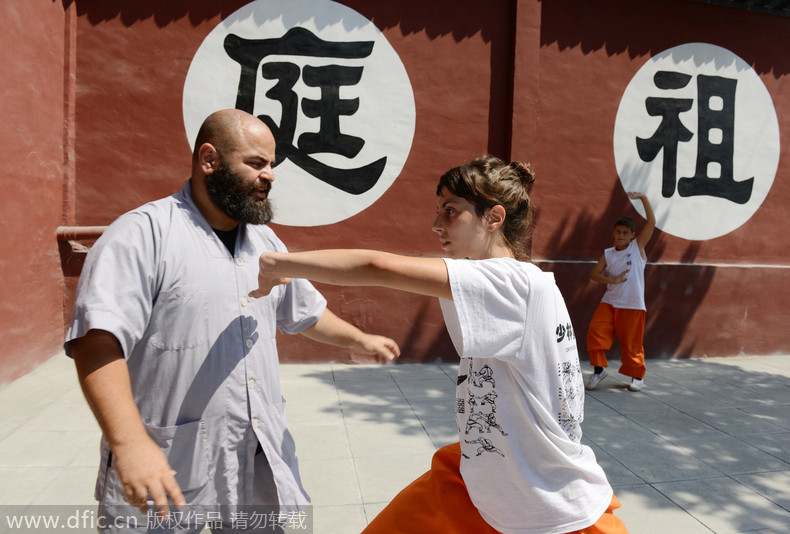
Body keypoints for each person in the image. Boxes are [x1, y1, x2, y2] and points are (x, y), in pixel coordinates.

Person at [250, 155, 628, 533]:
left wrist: (278, 265)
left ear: (494, 218)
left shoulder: (508, 283)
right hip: (489, 475)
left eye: (451, 211)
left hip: (542, 501)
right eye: (439, 211)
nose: (436, 224)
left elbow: (377, 267)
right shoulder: (515, 280)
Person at [65, 109, 400, 532]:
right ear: (209, 159)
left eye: (272, 165)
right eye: (256, 163)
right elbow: (96, 342)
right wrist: (130, 444)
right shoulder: (141, 235)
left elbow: (304, 311)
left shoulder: (263, 240)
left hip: (253, 457)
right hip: (166, 464)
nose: (269, 176)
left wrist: (358, 339)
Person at [585, 193, 655, 392]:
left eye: (625, 232)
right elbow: (595, 274)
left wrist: (643, 198)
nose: (621, 235)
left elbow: (652, 222)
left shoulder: (637, 248)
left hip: (632, 304)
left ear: (632, 235)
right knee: (595, 332)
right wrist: (612, 280)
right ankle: (599, 371)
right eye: (618, 232)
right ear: (614, 233)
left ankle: (637, 377)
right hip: (609, 302)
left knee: (632, 344)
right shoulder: (608, 253)